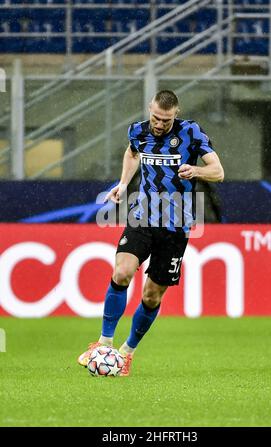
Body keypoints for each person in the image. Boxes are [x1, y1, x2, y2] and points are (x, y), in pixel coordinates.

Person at [78, 90, 224, 376]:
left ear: (176, 114)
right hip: (142, 215)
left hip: (176, 225)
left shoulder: (191, 132)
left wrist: (195, 170)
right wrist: (123, 183)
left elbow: (218, 171)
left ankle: (126, 352)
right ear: (150, 110)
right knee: (121, 272)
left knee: (152, 296)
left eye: (166, 120)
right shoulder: (137, 131)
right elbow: (132, 153)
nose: (159, 124)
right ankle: (103, 343)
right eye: (156, 118)